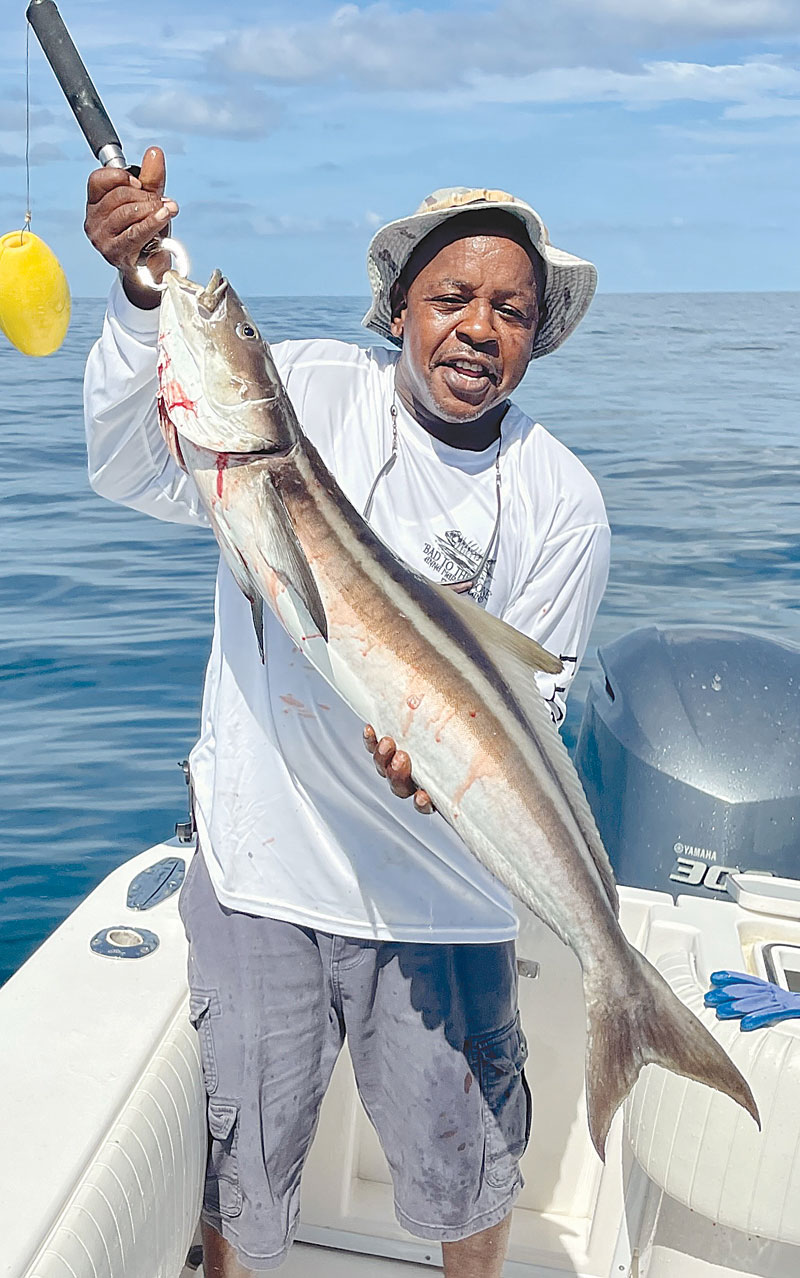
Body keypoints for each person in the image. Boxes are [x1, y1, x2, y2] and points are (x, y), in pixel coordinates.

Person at [83, 147, 610, 1278]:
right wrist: (137, 302)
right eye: (452, 297)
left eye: (511, 310)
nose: (478, 328)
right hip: (264, 874)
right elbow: (128, 468)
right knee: (243, 1185)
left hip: (446, 901)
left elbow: (534, 708)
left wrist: (439, 778)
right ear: (400, 308)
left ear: (536, 335)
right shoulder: (309, 395)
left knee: (467, 1178)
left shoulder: (561, 499)